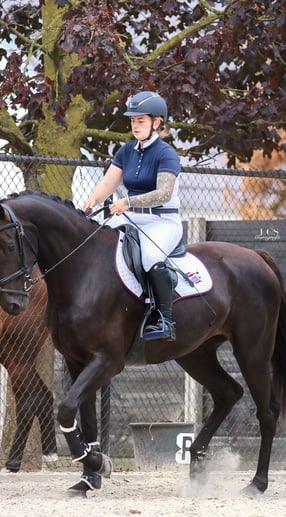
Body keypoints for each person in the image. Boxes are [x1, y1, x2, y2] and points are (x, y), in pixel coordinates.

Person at [83, 90, 182, 341]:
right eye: (132, 121)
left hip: (162, 221)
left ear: (156, 123)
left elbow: (163, 194)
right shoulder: (126, 150)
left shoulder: (166, 154)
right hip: (130, 218)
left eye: (141, 121)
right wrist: (90, 203)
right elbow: (108, 183)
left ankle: (164, 319)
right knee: (95, 239)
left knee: (149, 257)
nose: (135, 126)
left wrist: (127, 202)